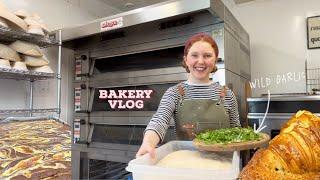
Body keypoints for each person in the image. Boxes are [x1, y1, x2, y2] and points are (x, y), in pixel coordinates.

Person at [136, 32, 241, 158]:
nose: (200, 61)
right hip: (186, 165)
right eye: (194, 55)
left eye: (207, 56)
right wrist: (148, 142)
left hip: (222, 166)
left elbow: (237, 132)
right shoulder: (174, 93)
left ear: (215, 60)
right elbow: (160, 120)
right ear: (186, 60)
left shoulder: (227, 94)